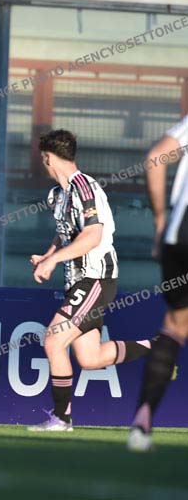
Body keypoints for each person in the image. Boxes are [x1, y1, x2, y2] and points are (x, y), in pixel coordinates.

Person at [28, 130, 150, 432]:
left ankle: (62, 419)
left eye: (42, 158)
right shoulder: (58, 194)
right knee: (90, 357)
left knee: (54, 340)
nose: (43, 163)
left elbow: (92, 235)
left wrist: (55, 260)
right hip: (79, 282)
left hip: (96, 278)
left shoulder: (85, 189)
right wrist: (48, 255)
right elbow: (65, 232)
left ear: (48, 158)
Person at [127, 117, 188, 451]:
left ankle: (142, 421)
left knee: (175, 327)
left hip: (180, 234)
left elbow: (155, 158)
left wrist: (161, 221)